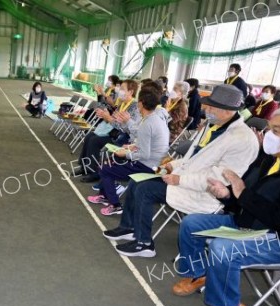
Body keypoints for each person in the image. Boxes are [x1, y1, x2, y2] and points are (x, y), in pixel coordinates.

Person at [172, 104, 280, 306]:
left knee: (222, 248)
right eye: (269, 129)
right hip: (249, 224)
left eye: (277, 130)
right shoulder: (271, 157)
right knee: (192, 224)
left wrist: (242, 194)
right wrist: (228, 195)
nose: (268, 136)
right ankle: (198, 274)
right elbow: (245, 195)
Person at [103, 84, 259, 257]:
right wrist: (171, 166)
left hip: (205, 193)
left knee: (145, 189)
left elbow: (220, 180)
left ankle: (144, 243)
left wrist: (180, 180)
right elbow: (192, 158)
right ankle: (128, 227)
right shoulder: (212, 125)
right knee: (136, 180)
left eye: (211, 106)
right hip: (183, 177)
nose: (205, 109)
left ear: (228, 110)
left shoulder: (243, 139)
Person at [88, 86, 170, 216]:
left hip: (150, 166)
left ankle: (115, 205)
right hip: (157, 163)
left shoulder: (148, 122)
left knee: (105, 169)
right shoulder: (157, 118)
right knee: (109, 163)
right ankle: (105, 195)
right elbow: (148, 143)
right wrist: (132, 146)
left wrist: (125, 153)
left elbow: (144, 154)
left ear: (141, 103)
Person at [76, 79, 141, 183]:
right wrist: (106, 116)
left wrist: (109, 118)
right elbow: (116, 121)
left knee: (94, 141)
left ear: (131, 92)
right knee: (90, 136)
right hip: (114, 133)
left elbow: (126, 128)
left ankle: (93, 172)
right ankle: (84, 167)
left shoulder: (134, 107)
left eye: (123, 89)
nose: (120, 90)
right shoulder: (122, 104)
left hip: (123, 139)